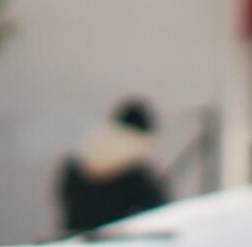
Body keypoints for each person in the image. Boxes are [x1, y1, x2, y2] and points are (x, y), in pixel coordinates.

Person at [57, 98, 172, 235]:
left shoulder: (79, 160)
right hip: (116, 244)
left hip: (75, 238)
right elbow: (160, 213)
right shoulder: (137, 171)